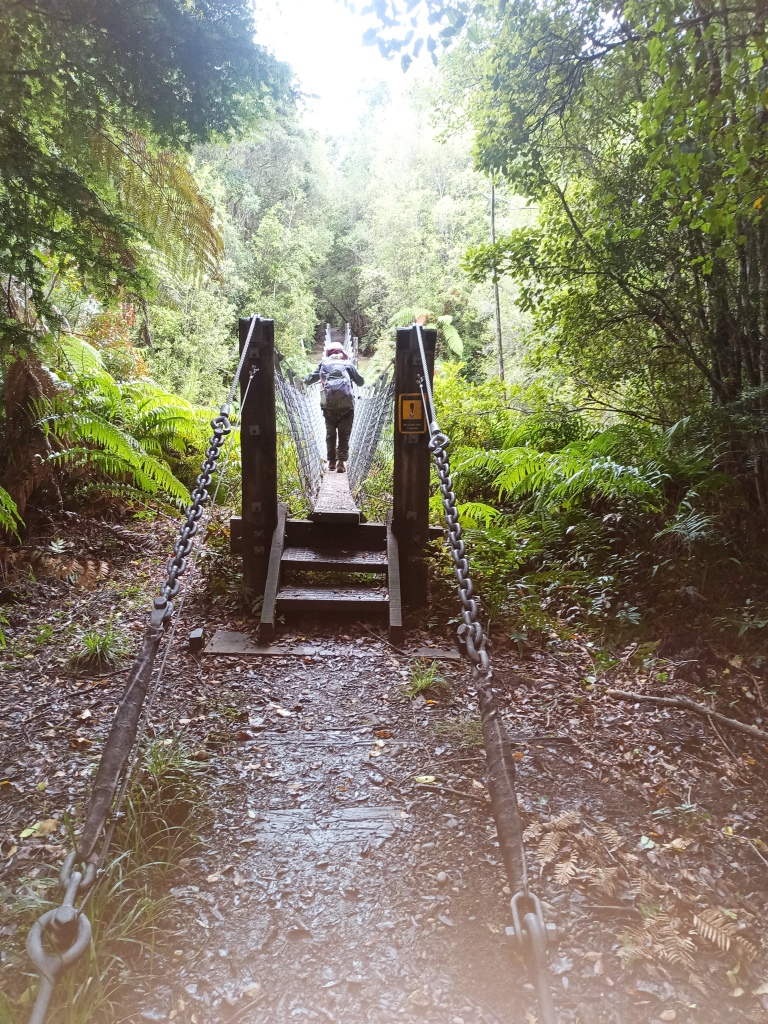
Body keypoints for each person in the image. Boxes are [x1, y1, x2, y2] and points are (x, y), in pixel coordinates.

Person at [304, 346, 365, 473]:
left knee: (330, 433)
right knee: (344, 434)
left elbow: (308, 380)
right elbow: (361, 382)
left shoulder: (323, 364)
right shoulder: (347, 364)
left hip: (328, 405)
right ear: (342, 353)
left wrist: (308, 380)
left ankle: (331, 462)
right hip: (346, 405)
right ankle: (341, 463)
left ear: (328, 354)